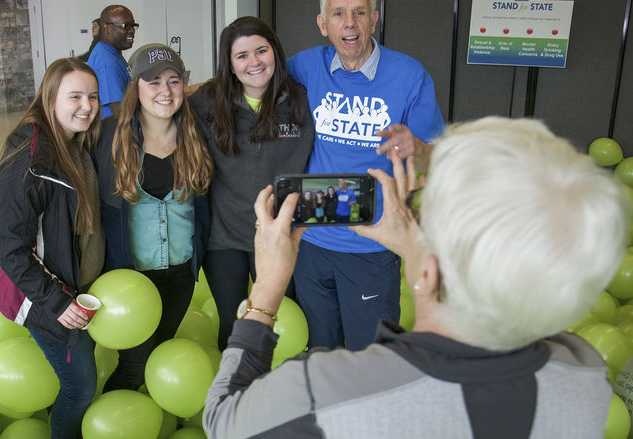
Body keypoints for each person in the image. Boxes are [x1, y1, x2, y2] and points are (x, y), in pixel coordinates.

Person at [203, 117, 631, 438]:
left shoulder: (323, 388)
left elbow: (223, 420)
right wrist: (413, 241)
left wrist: (267, 290)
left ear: (430, 270)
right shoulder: (585, 373)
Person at [287, 0, 445, 350]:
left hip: (371, 244)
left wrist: (415, 147)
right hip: (311, 242)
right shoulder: (303, 66)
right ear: (322, 23)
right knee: (319, 354)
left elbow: (440, 159)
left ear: (374, 20)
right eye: (338, 13)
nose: (349, 23)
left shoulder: (409, 75)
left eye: (359, 12)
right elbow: (248, 83)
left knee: (370, 356)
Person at [0, 57, 103, 439]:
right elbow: (9, 248)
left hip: (68, 286)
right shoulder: (32, 159)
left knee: (75, 382)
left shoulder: (72, 143)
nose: (86, 105)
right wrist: (58, 302)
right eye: (75, 96)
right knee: (80, 388)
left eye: (93, 96)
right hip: (46, 296)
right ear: (50, 98)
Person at [188, 16, 314, 350]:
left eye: (261, 50)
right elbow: (163, 103)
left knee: (280, 321)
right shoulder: (207, 101)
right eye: (242, 55)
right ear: (229, 65)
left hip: (278, 235)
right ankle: (235, 397)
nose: (254, 62)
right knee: (232, 327)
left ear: (275, 52)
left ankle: (274, 395)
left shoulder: (301, 99)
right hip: (224, 237)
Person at [94, 44, 213, 392]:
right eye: (154, 82)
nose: (165, 91)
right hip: (130, 280)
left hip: (180, 275)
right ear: (137, 88)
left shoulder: (197, 136)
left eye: (173, 81)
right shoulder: (109, 136)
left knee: (159, 354)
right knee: (134, 366)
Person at [87, 5, 138, 119]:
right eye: (125, 26)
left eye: (133, 26)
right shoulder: (106, 61)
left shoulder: (112, 52)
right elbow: (119, 110)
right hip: (114, 132)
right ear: (107, 28)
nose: (132, 30)